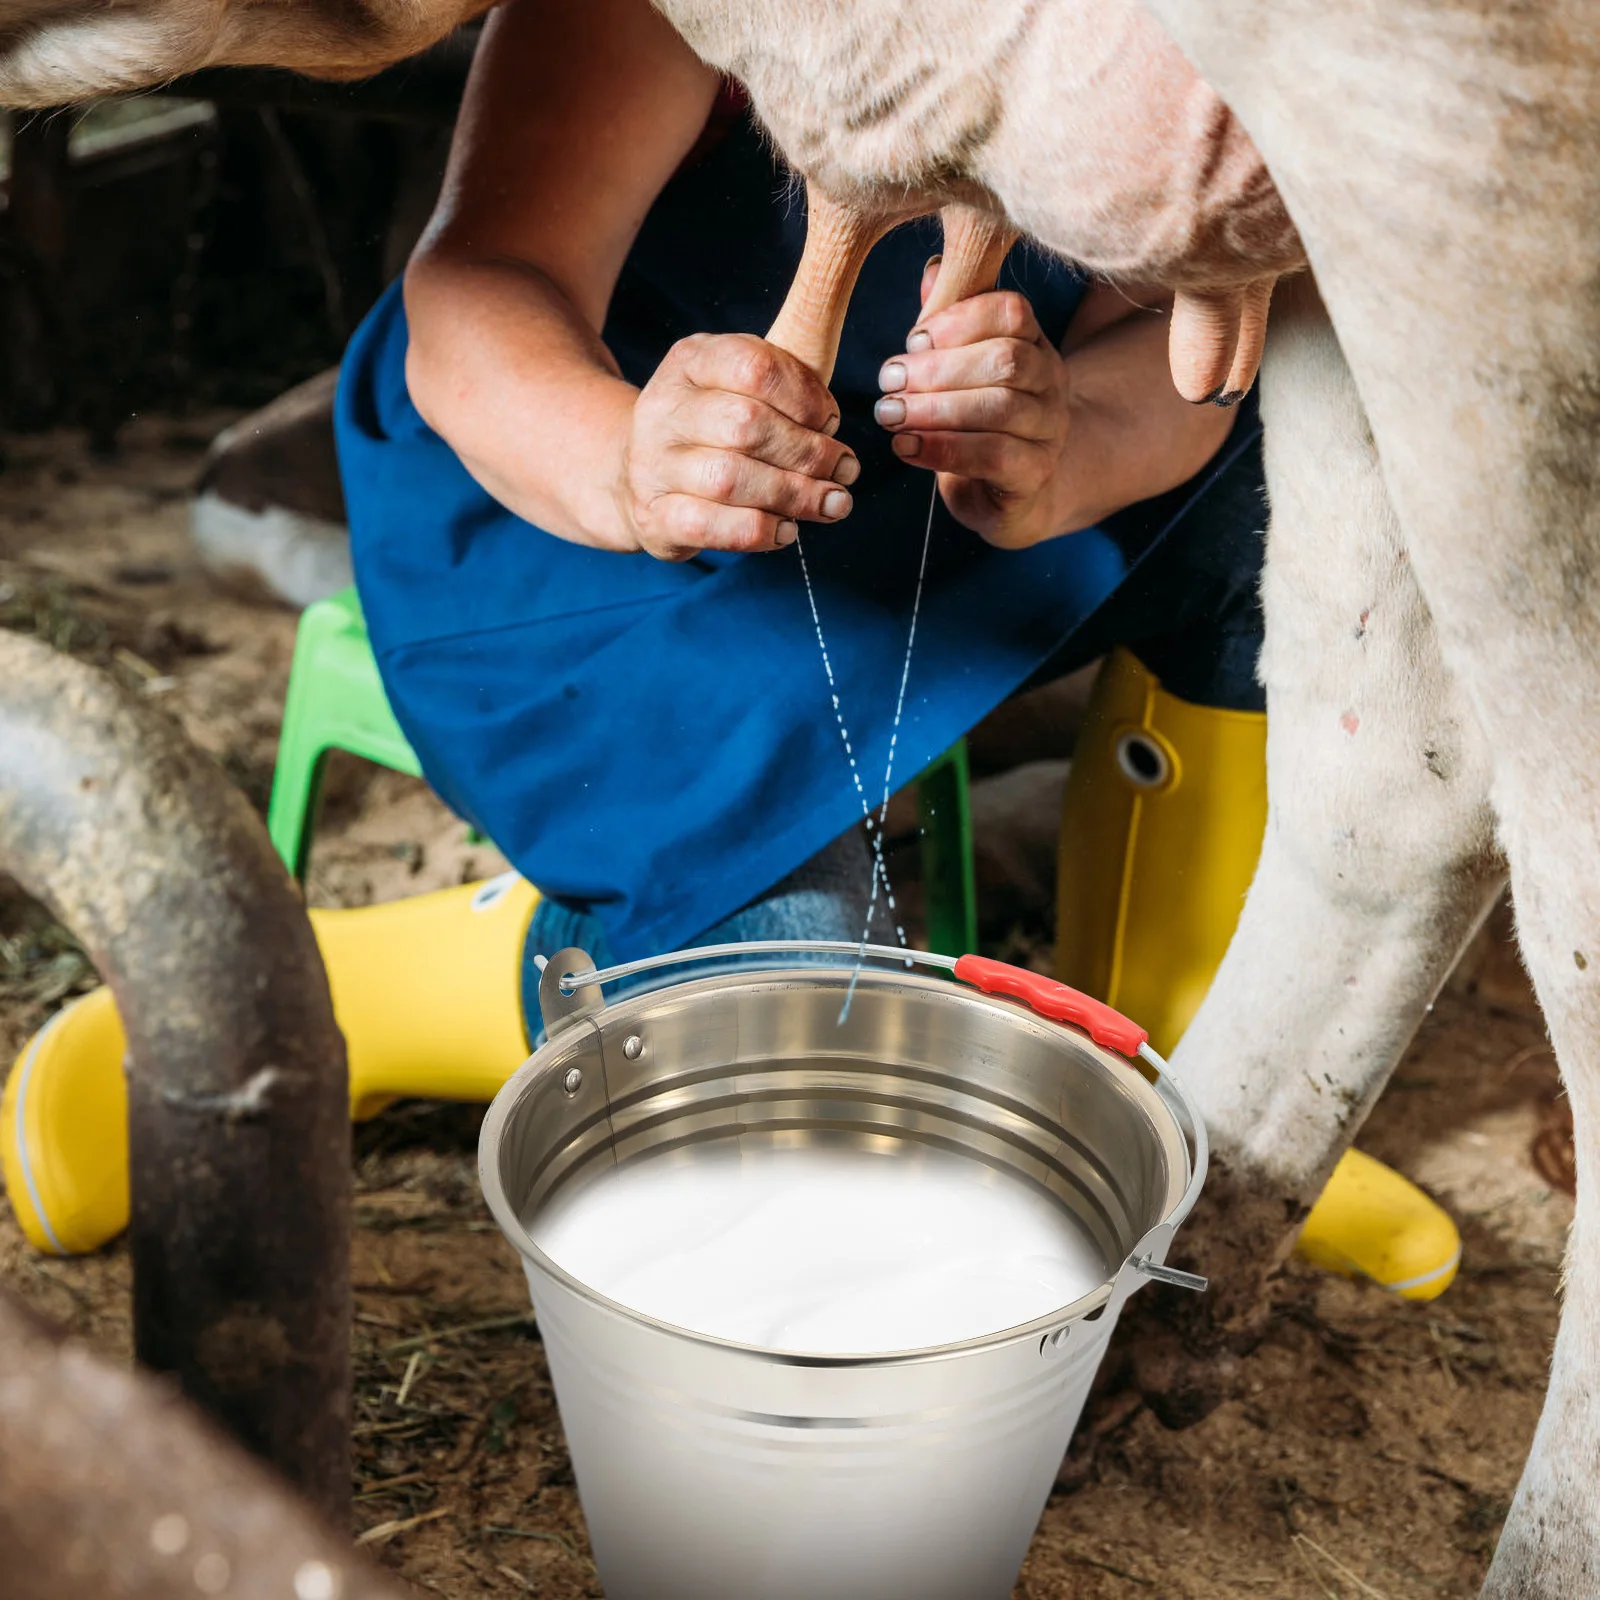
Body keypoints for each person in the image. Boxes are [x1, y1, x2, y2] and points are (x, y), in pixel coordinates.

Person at [334, 0, 1266, 1005]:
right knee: (801, 1005)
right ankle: (481, 964)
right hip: (578, 502)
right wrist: (626, 463)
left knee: (1286, 503)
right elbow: (493, 279)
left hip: (920, 489)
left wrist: (1064, 443)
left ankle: (1180, 1051)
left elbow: (1193, 341)